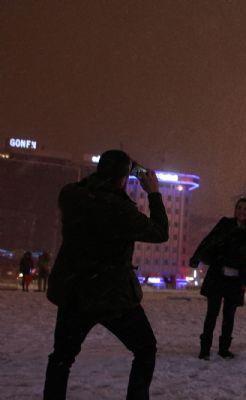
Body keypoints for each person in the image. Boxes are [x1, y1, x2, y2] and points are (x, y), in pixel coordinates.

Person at [44, 150, 169, 400]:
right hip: (112, 296)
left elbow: (81, 188)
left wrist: (107, 175)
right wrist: (153, 192)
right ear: (123, 178)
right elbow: (160, 231)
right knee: (145, 348)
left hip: (75, 291)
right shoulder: (120, 210)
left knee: (62, 357)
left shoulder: (72, 196)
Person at [189, 198, 246, 360]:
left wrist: (243, 281)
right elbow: (209, 239)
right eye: (239, 208)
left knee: (229, 316)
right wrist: (196, 256)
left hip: (235, 280)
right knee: (212, 314)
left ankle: (224, 349)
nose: (241, 211)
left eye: (245, 209)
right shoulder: (226, 223)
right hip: (218, 276)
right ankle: (205, 349)